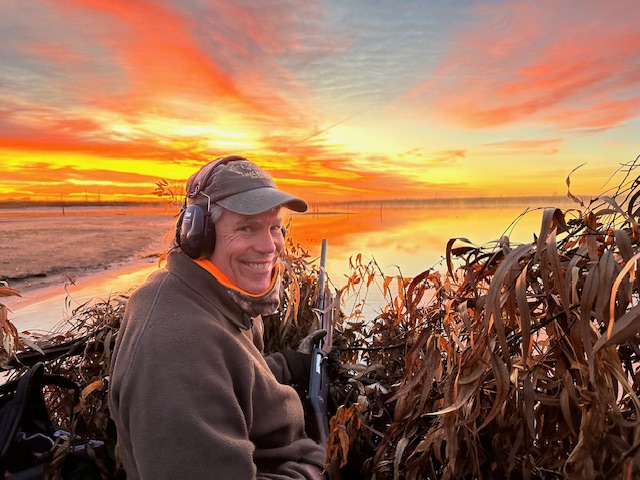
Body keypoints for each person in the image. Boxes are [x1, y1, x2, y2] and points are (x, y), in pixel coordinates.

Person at [108, 156, 327, 479]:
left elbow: (225, 380)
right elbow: (194, 371)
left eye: (275, 227)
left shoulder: (215, 295)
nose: (270, 246)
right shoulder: (175, 350)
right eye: (247, 227)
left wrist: (288, 364)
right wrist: (312, 471)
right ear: (198, 235)